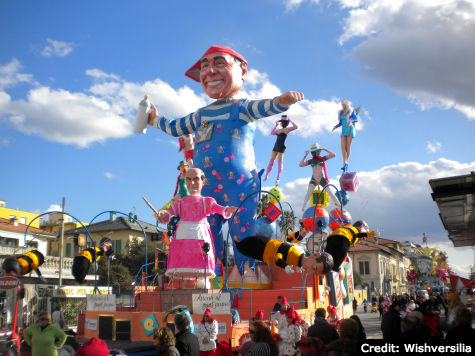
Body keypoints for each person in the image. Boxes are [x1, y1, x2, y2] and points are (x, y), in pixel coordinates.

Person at [147, 45, 304, 272]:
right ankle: (212, 273)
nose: (210, 71)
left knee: (243, 233)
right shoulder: (201, 115)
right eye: (205, 66)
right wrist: (154, 119)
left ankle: (246, 272)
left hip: (241, 185)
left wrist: (282, 101)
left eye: (220, 63)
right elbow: (175, 127)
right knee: (208, 234)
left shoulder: (242, 107)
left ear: (242, 71)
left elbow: (265, 107)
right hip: (206, 189)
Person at [156, 168, 238, 282]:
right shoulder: (179, 203)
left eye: (196, 179)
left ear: (203, 182)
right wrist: (162, 215)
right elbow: (168, 214)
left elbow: (221, 209)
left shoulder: (207, 201)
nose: (192, 183)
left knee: (201, 268)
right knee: (184, 270)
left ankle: (201, 283)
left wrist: (228, 209)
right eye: (188, 180)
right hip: (183, 241)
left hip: (200, 239)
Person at [234, 234, 334, 275]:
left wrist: (297, 266)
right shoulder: (295, 254)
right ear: (316, 255)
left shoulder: (298, 260)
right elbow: (278, 256)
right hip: (261, 246)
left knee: (240, 248)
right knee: (240, 247)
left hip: (263, 255)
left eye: (314, 272)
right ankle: (235, 240)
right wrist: (285, 266)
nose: (310, 271)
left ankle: (235, 240)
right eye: (314, 268)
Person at [300, 143, 336, 211]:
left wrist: (325, 149)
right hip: (314, 179)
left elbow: (333, 155)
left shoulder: (322, 158)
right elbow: (301, 164)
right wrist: (305, 156)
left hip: (322, 178)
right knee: (308, 193)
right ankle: (303, 206)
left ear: (318, 151)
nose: (313, 153)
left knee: (330, 193)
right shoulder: (311, 161)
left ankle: (339, 206)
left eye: (314, 152)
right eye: (312, 152)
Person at [263, 115, 298, 186]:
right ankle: (266, 175)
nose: (280, 123)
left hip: (281, 147)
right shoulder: (278, 130)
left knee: (279, 163)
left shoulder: (287, 129)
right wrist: (276, 125)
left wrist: (290, 120)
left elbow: (296, 127)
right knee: (271, 162)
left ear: (284, 123)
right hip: (275, 146)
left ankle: (277, 179)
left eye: (281, 122)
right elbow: (272, 133)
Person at [331, 100, 359, 172]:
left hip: (350, 129)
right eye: (342, 105)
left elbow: (355, 118)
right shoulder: (340, 112)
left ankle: (345, 163)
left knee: (347, 147)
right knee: (342, 147)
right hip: (344, 130)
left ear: (346, 105)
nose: (342, 106)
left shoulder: (350, 111)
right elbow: (340, 122)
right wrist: (335, 126)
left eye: (343, 105)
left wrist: (350, 121)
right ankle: (345, 162)